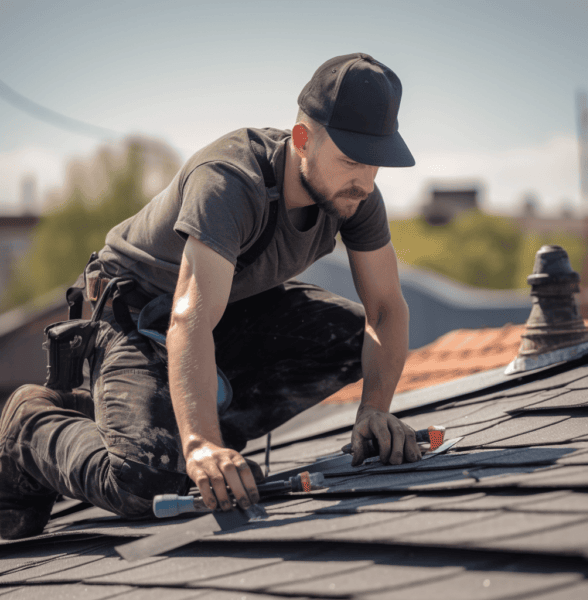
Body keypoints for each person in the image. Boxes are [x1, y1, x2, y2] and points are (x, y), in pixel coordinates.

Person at [0, 52, 421, 540]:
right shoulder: (229, 179)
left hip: (225, 313)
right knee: (145, 484)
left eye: (375, 163)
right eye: (351, 159)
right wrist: (200, 444)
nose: (365, 181)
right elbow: (189, 319)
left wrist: (375, 410)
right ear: (302, 139)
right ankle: (32, 423)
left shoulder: (355, 195)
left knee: (349, 340)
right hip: (135, 317)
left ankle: (186, 440)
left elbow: (386, 309)